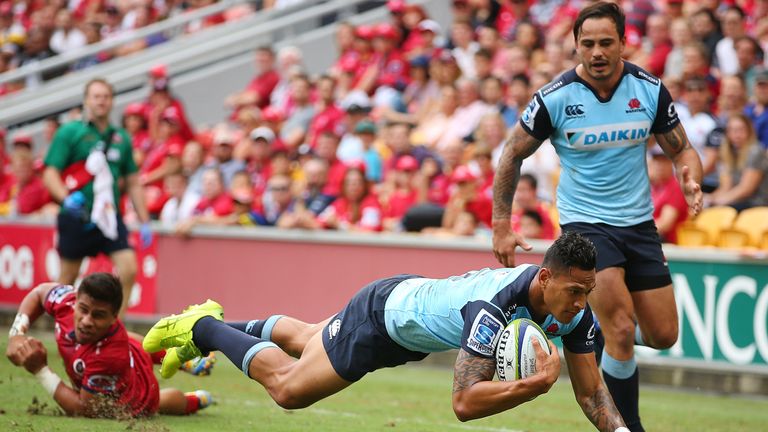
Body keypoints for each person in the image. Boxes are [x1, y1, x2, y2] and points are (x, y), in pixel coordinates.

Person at [142, 232, 628, 430]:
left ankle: (209, 322)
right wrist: (533, 385)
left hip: (404, 311)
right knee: (289, 390)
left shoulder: (575, 313)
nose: (582, 304)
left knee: (307, 337)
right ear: (545, 277)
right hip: (382, 321)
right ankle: (203, 327)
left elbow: (591, 394)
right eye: (574, 292)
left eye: (587, 292)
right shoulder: (493, 308)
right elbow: (463, 404)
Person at [490, 3, 703, 431]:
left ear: (624, 42)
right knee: (622, 328)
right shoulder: (555, 98)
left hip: (639, 224)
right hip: (586, 225)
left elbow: (680, 148)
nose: (597, 52)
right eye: (587, 44)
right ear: (576, 46)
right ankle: (628, 426)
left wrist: (691, 178)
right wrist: (501, 223)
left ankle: (604, 333)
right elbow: (512, 153)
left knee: (663, 335)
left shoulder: (648, 89)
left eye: (606, 42)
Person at [5, 273, 214, 418]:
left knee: (160, 401)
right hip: (128, 349)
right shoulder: (67, 302)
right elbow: (40, 293)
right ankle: (180, 358)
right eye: (83, 309)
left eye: (98, 315)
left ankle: (193, 400)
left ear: (115, 318)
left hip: (135, 395)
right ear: (75, 300)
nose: (86, 320)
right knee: (135, 343)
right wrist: (17, 333)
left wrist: (40, 369)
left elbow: (83, 408)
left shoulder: (110, 355)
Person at [42, 78, 153, 317]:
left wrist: (145, 221)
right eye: (96, 96)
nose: (101, 101)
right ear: (86, 100)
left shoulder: (120, 137)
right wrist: (65, 199)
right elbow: (50, 171)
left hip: (109, 217)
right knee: (67, 278)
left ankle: (115, 328)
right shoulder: (70, 132)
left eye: (105, 96)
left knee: (129, 269)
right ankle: (65, 328)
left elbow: (133, 180)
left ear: (112, 101)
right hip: (77, 217)